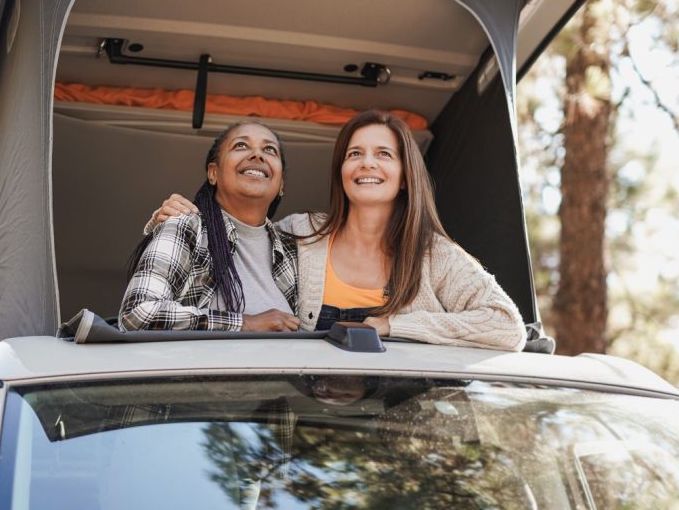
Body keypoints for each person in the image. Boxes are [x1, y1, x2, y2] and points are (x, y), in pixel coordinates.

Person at [149, 110, 527, 350]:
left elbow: (507, 325)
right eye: (354, 154)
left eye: (383, 154)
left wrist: (392, 324)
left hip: (397, 436)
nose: (367, 164)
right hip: (304, 431)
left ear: (405, 177)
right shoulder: (301, 232)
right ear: (341, 172)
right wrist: (171, 224)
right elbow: (234, 238)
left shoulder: (434, 254)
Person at [119, 122, 301, 332]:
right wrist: (245, 323)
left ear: (281, 185)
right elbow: (137, 314)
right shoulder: (186, 226)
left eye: (269, 149)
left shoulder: (292, 250)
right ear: (213, 173)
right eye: (241, 145)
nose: (257, 155)